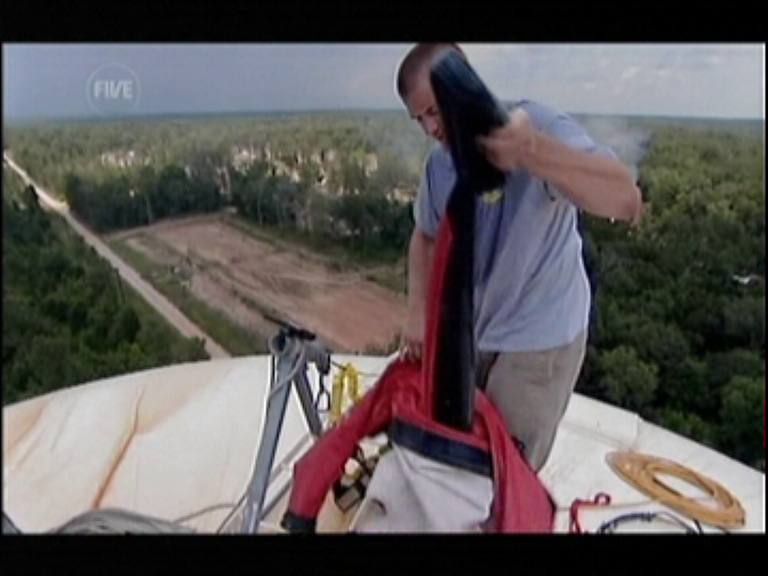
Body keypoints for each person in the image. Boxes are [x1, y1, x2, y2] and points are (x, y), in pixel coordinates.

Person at [396, 43, 641, 472]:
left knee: (506, 469)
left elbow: (625, 200)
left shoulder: (537, 125)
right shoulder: (440, 167)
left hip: (540, 337)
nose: (430, 128)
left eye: (434, 111)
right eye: (420, 119)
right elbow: (425, 236)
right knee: (459, 454)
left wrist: (530, 151)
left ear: (462, 87)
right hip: (477, 330)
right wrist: (418, 313)